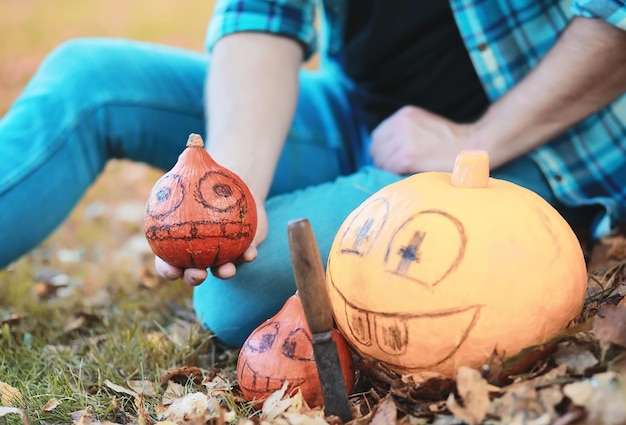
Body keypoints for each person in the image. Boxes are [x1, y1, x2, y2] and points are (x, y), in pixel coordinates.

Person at [1, 1, 625, 347]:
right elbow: (261, 17)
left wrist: (474, 140)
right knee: (89, 75)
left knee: (233, 297)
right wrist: (233, 192)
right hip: (363, 118)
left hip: (526, 149)